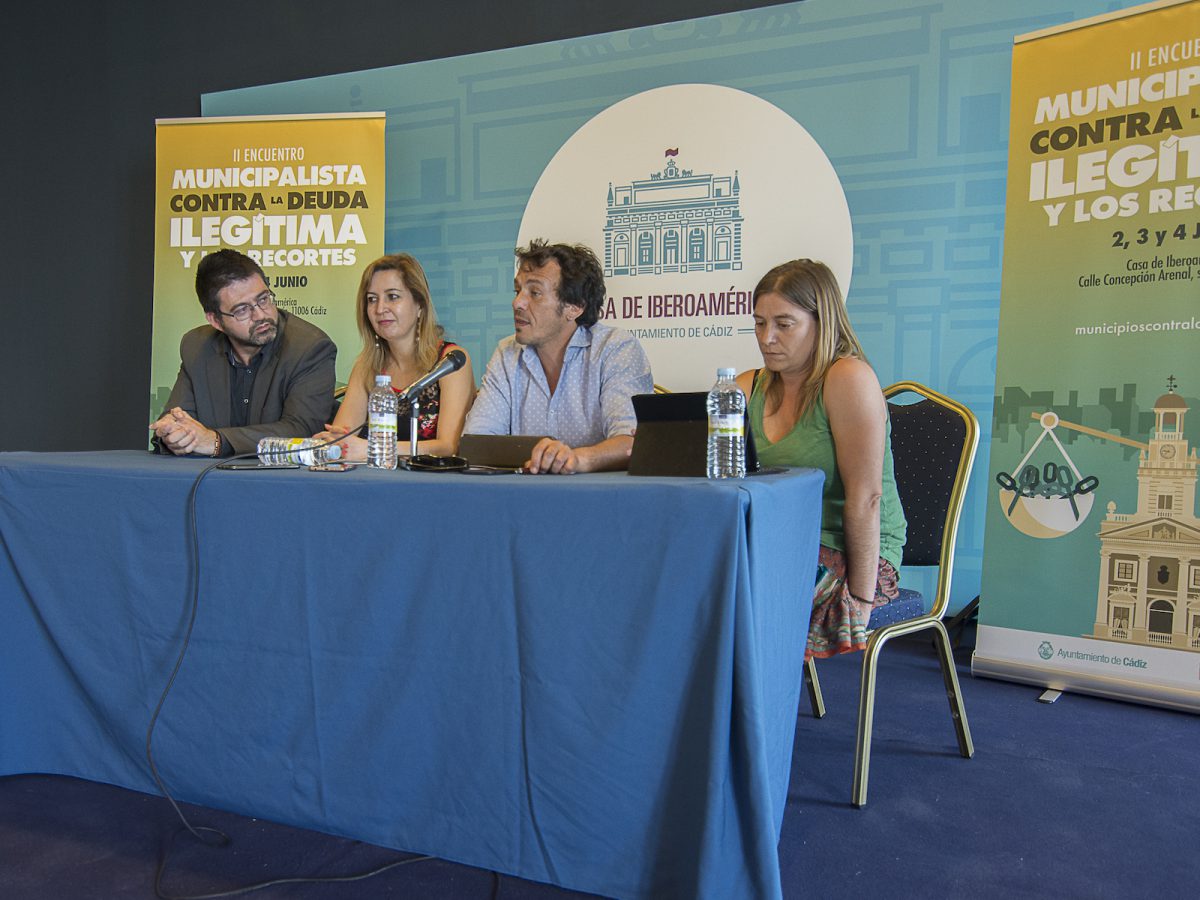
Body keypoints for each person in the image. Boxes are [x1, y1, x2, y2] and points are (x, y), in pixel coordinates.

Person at [735, 259, 906, 659]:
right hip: (774, 543)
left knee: (738, 593)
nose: (767, 338)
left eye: (784, 323)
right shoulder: (745, 386)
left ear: (821, 321)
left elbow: (865, 498)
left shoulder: (848, 378)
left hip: (853, 553)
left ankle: (749, 716)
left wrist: (861, 599)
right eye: (759, 323)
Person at [464, 239, 653, 474]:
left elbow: (632, 442)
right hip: (524, 496)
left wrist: (577, 459)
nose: (517, 303)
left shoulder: (615, 349)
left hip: (599, 500)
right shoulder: (507, 353)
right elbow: (476, 442)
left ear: (574, 307)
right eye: (517, 291)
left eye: (535, 293)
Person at [151, 249, 336, 457]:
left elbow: (302, 430)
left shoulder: (310, 348)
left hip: (283, 481)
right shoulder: (197, 346)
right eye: (242, 310)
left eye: (264, 299)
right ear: (215, 321)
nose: (260, 315)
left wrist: (217, 441)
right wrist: (174, 432)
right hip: (211, 479)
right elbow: (180, 416)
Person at [316, 253, 473, 460]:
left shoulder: (451, 361)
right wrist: (334, 440)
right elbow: (344, 436)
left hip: (432, 484)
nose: (380, 309)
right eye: (372, 300)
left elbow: (448, 447)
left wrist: (374, 449)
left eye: (393, 296)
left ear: (419, 305)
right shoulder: (368, 365)